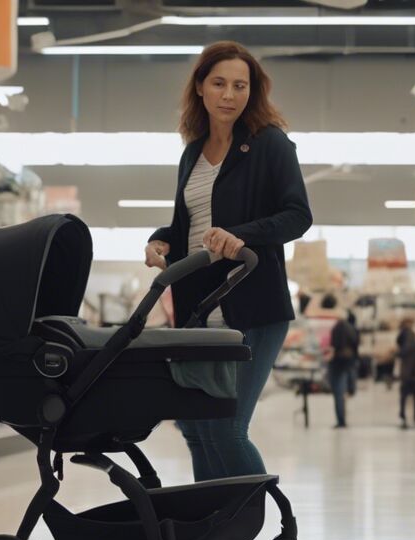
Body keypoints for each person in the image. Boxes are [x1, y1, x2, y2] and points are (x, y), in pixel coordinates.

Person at [144, 41, 313, 482]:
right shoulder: (192, 153)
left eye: (240, 86)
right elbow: (189, 223)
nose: (229, 95)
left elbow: (298, 215)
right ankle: (205, 534)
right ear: (200, 87)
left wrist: (242, 236)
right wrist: (161, 241)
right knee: (195, 427)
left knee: (228, 428)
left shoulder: (270, 144)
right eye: (218, 83)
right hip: (199, 308)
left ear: (252, 92)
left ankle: (270, 524)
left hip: (252, 305)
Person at [324, 295, 360, 428]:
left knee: (338, 392)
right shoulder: (352, 329)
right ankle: (351, 390)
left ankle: (341, 420)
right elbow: (356, 345)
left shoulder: (337, 328)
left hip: (338, 362)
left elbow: (335, 345)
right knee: (344, 390)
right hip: (349, 362)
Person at [396, 318, 415, 428]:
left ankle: (403, 415)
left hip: (407, 371)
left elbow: (402, 349)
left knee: (404, 395)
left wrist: (396, 353)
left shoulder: (406, 336)